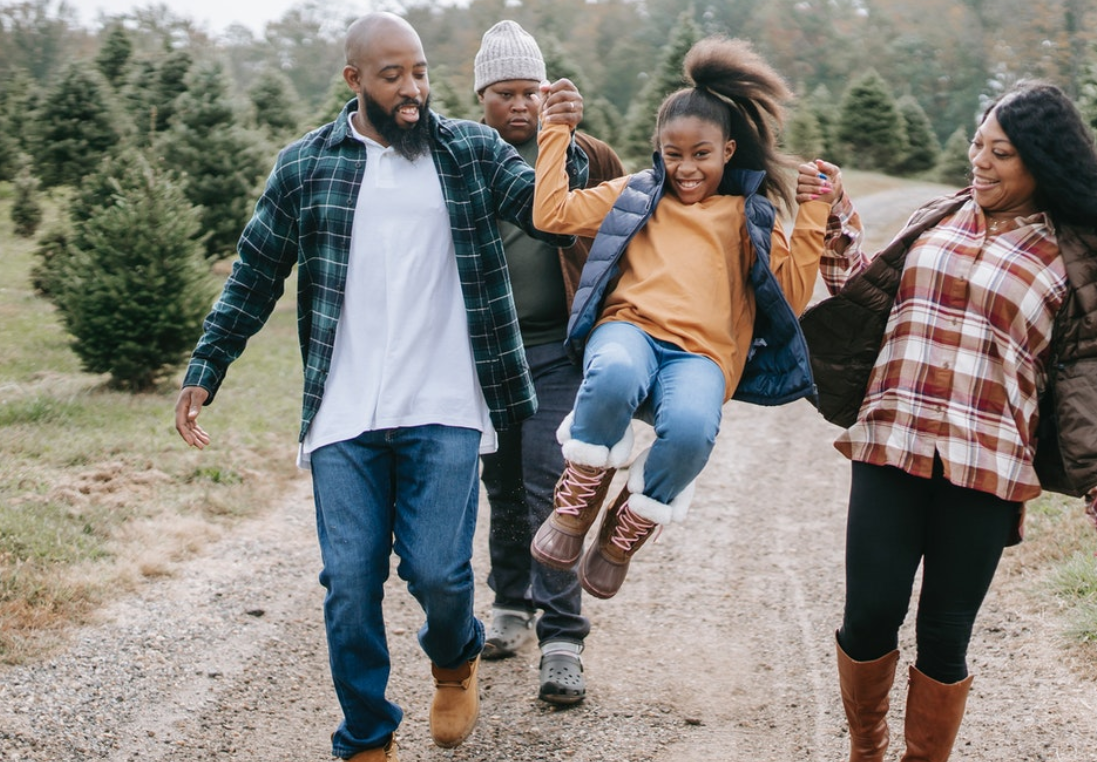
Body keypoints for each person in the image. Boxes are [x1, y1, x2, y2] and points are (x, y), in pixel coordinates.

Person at [172, 12, 589, 761]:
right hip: (344, 411)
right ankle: (365, 736)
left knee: (439, 573)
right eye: (392, 76)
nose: (412, 89)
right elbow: (255, 273)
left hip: (445, 403)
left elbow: (553, 217)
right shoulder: (306, 166)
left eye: (420, 73)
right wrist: (207, 368)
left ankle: (454, 657)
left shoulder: (468, 151)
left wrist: (560, 139)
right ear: (354, 79)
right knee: (349, 583)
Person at [800, 80, 1097, 762]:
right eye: (977, 145)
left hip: (987, 468)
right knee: (869, 615)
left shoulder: (1073, 258)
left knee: (945, 636)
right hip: (892, 442)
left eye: (1001, 153)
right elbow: (865, 291)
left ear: (1041, 163)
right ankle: (866, 747)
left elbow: (1087, 387)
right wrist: (836, 210)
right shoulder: (938, 218)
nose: (980, 161)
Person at [526, 37, 836, 600]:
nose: (686, 168)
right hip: (630, 330)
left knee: (693, 432)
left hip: (702, 356)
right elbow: (551, 214)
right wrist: (556, 132)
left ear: (728, 151)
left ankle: (629, 522)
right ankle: (580, 495)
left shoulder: (747, 215)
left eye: (701, 154)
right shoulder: (635, 195)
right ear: (658, 150)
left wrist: (813, 212)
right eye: (673, 154)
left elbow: (789, 300)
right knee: (614, 373)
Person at [468, 19, 626, 706]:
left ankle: (562, 639)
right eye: (503, 93)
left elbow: (630, 233)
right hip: (486, 356)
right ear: (481, 98)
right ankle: (510, 602)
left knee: (552, 487)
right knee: (501, 485)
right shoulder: (465, 158)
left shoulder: (585, 154)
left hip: (560, 353)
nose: (519, 105)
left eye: (530, 91)